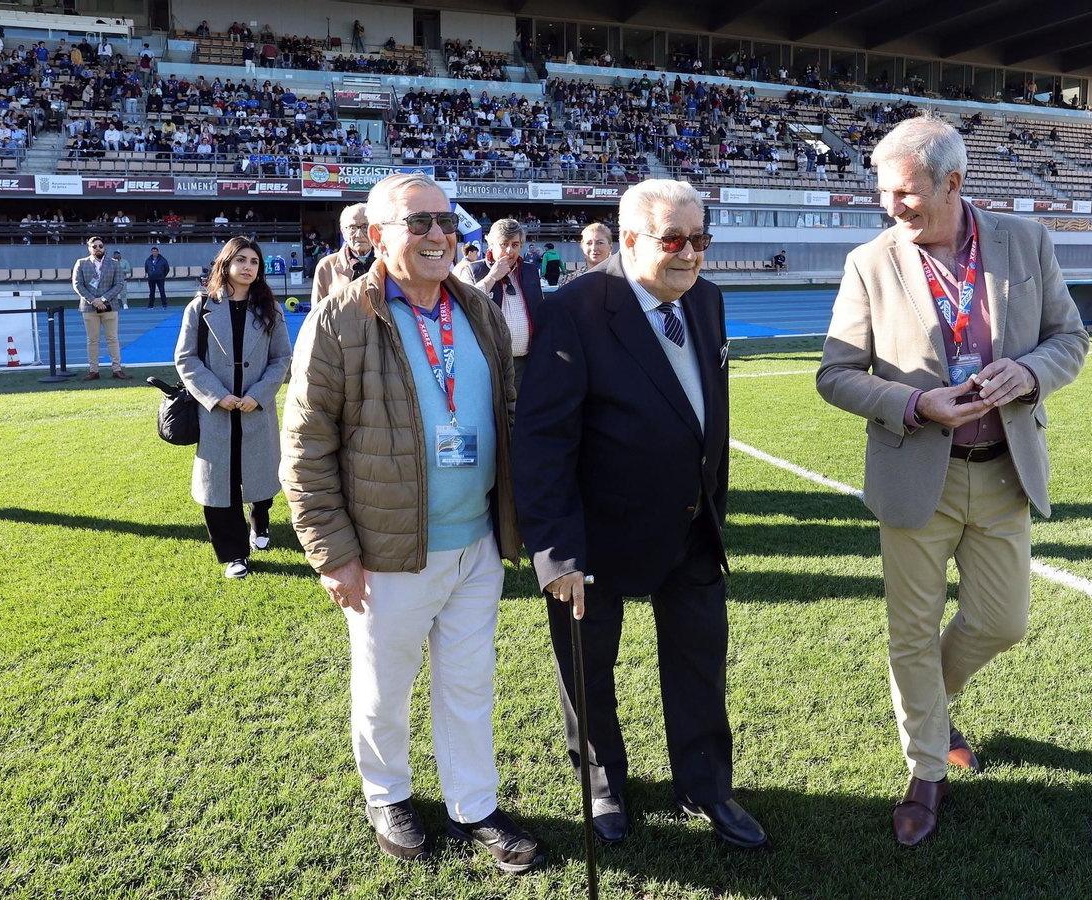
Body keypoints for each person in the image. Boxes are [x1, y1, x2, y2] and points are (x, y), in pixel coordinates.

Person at [815, 117, 1087, 848]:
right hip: (915, 477)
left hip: (1003, 473)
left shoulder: (1026, 241)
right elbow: (834, 376)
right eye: (883, 192)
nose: (891, 207)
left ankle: (925, 706)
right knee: (910, 634)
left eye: (904, 193)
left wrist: (1029, 372)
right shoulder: (870, 261)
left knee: (1003, 623)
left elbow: (1072, 339)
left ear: (954, 183)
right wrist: (913, 403)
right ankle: (926, 771)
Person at [279, 172, 543, 872]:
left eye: (446, 223)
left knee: (469, 681)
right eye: (418, 222)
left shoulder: (477, 309)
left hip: (477, 542)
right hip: (386, 549)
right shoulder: (339, 319)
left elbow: (508, 410)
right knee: (384, 683)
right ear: (377, 236)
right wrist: (332, 553)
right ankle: (387, 791)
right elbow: (305, 448)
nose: (437, 235)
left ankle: (473, 804)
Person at [513, 179, 767, 850]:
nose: (690, 255)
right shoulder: (575, 308)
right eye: (674, 240)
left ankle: (706, 785)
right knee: (589, 669)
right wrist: (558, 553)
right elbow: (543, 440)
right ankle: (601, 782)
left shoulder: (706, 300)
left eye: (701, 240)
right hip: (595, 534)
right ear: (627, 240)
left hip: (691, 526)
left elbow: (706, 413)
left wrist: (715, 506)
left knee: (699, 663)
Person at [174, 237, 292, 578]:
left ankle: (260, 520)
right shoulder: (201, 306)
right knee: (218, 485)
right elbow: (186, 358)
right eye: (240, 260)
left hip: (256, 408)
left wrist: (259, 394)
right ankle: (234, 554)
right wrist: (215, 395)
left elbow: (282, 357)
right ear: (225, 264)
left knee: (260, 477)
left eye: (254, 261)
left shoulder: (271, 307)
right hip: (217, 412)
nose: (248, 267)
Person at [466, 218, 542, 389]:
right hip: (490, 363)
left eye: (515, 245)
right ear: (490, 244)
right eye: (504, 244)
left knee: (523, 413)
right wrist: (492, 277)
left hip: (526, 362)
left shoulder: (530, 271)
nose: (509, 251)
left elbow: (539, 311)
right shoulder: (474, 271)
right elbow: (468, 307)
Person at [72, 236, 128, 379]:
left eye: (101, 246)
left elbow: (119, 284)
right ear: (89, 248)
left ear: (104, 248)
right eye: (95, 246)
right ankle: (93, 370)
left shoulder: (114, 264)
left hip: (110, 306)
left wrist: (103, 299)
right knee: (92, 340)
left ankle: (117, 369)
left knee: (112, 339)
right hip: (89, 308)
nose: (98, 249)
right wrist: (93, 300)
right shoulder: (81, 263)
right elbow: (77, 285)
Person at [309, 203, 374, 305]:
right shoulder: (326, 266)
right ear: (343, 232)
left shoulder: (389, 263)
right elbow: (317, 314)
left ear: (374, 229)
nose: (359, 234)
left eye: (365, 227)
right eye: (352, 228)